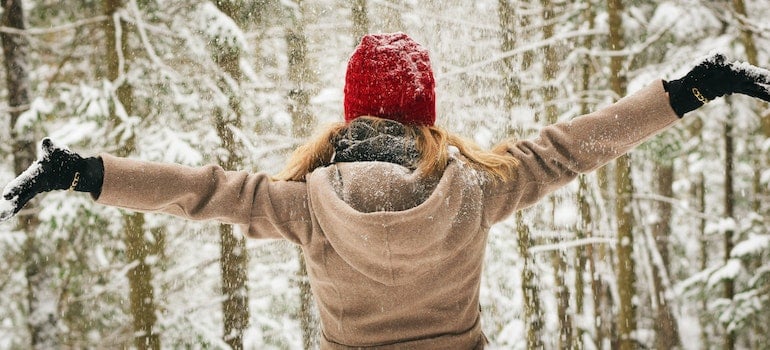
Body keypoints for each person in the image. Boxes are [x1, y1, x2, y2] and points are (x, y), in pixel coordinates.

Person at [1, 32, 770, 349]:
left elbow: (204, 192)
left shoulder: (305, 204)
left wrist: (85, 173)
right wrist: (689, 90)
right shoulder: (477, 188)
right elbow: (577, 147)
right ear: (426, 113)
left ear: (351, 111)